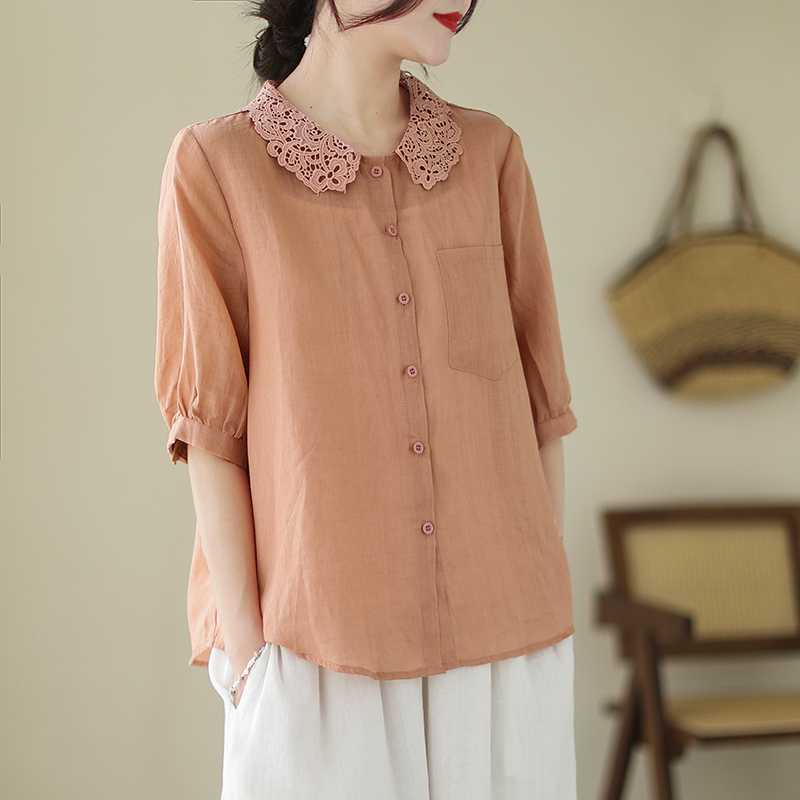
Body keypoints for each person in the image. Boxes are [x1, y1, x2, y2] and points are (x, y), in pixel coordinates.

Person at [154, 1, 579, 797]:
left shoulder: (490, 155)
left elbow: (541, 406)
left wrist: (537, 583)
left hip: (504, 649)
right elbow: (211, 429)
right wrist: (250, 654)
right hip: (318, 649)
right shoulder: (219, 167)